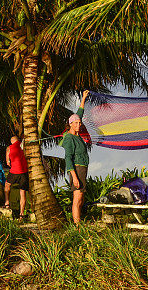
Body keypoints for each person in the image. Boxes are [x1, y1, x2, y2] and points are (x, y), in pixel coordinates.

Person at [60, 90, 90, 225]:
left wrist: (83, 98)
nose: (79, 125)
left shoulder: (76, 134)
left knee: (81, 197)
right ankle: (77, 226)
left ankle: (79, 223)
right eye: (76, 123)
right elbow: (68, 158)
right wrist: (75, 177)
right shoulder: (69, 138)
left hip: (82, 168)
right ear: (70, 124)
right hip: (76, 169)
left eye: (79, 123)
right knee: (77, 199)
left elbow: (79, 114)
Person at [4, 135, 29, 220]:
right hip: (24, 172)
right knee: (23, 193)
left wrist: (10, 161)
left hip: (14, 172)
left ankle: (7, 203)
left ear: (12, 141)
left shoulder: (9, 148)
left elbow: (8, 162)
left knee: (7, 185)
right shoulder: (24, 146)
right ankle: (21, 214)